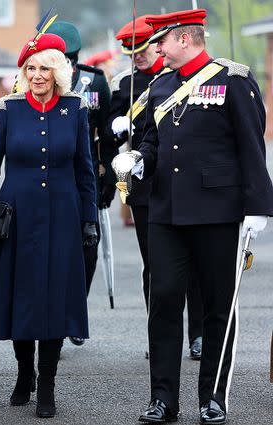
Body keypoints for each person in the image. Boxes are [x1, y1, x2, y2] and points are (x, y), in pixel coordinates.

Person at [113, 9, 273, 425]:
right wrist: (140, 160)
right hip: (167, 211)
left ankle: (213, 397)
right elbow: (152, 138)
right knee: (164, 301)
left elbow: (251, 146)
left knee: (219, 304)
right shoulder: (161, 84)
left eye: (162, 42)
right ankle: (163, 398)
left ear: (185, 39)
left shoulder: (233, 79)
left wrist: (258, 206)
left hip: (218, 212)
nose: (156, 49)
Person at [0, 33, 98, 419]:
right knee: (21, 294)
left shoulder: (76, 108)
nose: (37, 76)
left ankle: (48, 384)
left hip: (63, 215)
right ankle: (24, 374)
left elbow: (85, 169)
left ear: (58, 71)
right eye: (31, 69)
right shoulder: (9, 108)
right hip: (16, 213)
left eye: (45, 68)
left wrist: (89, 219)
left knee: (54, 297)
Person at [104, 15, 203, 360]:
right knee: (156, 265)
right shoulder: (124, 83)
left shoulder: (179, 77)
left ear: (157, 46)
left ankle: (198, 334)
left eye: (142, 49)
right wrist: (116, 127)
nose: (138, 57)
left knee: (193, 263)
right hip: (146, 185)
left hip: (182, 180)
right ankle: (158, 332)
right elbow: (112, 131)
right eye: (131, 52)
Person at [45, 21, 115, 346]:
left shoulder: (94, 81)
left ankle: (75, 306)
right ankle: (54, 316)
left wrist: (109, 177)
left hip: (86, 179)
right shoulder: (36, 79)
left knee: (87, 252)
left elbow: (107, 136)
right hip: (51, 178)